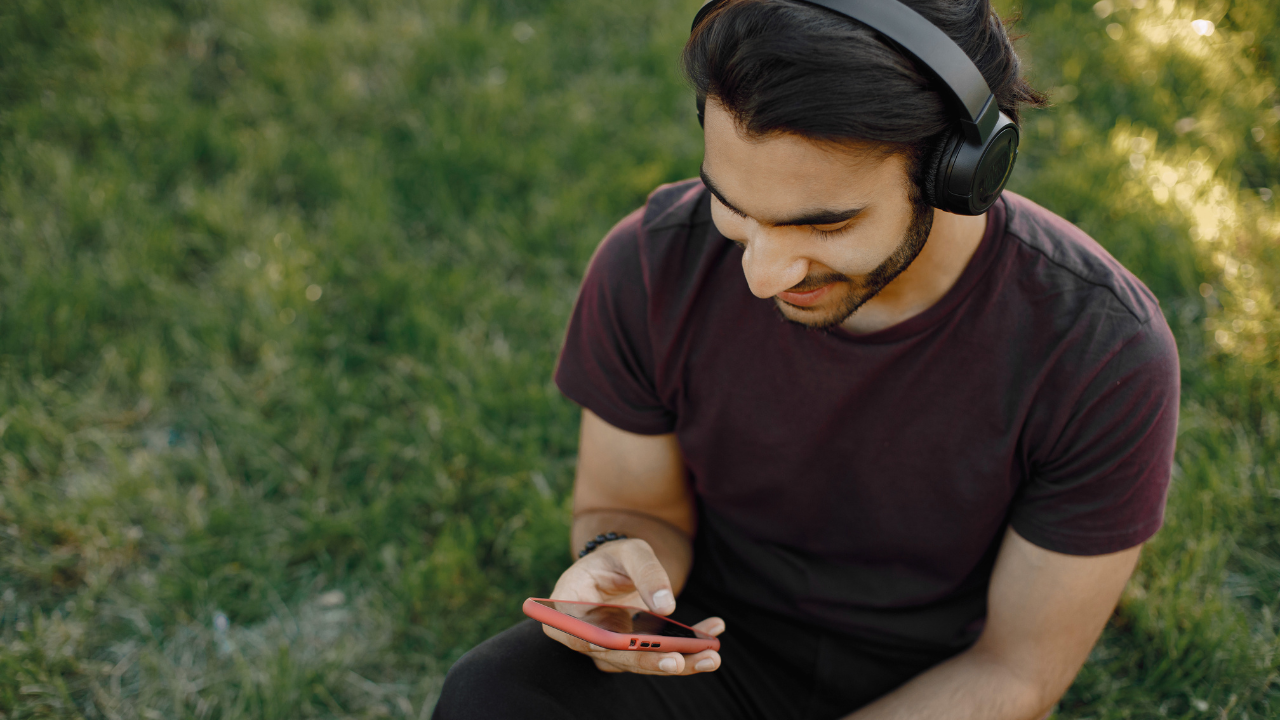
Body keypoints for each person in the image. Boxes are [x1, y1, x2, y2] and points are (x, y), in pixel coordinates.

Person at [432, 0, 1180, 717]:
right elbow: (632, 506)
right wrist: (618, 555)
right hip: (710, 648)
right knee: (494, 695)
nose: (762, 275)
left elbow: (1014, 671)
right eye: (733, 205)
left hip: (941, 686)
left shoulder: (1102, 353)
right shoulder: (652, 263)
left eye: (825, 225)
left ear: (961, 172)